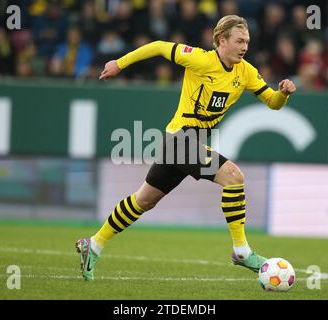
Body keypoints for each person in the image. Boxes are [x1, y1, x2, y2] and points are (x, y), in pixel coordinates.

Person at [76, 15, 296, 281]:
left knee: (144, 200)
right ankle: (241, 251)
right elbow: (157, 46)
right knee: (234, 177)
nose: (244, 46)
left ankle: (94, 244)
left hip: (189, 143)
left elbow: (272, 102)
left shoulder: (246, 72)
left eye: (247, 41)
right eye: (239, 40)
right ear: (221, 41)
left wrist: (283, 93)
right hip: (179, 139)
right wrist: (119, 63)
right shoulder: (200, 59)